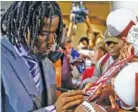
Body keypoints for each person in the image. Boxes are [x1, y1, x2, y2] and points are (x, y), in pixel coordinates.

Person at [1, 2, 84, 112]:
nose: (51, 41)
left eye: (54, 33)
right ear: (22, 26)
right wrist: (53, 110)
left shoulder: (47, 63)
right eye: (42, 34)